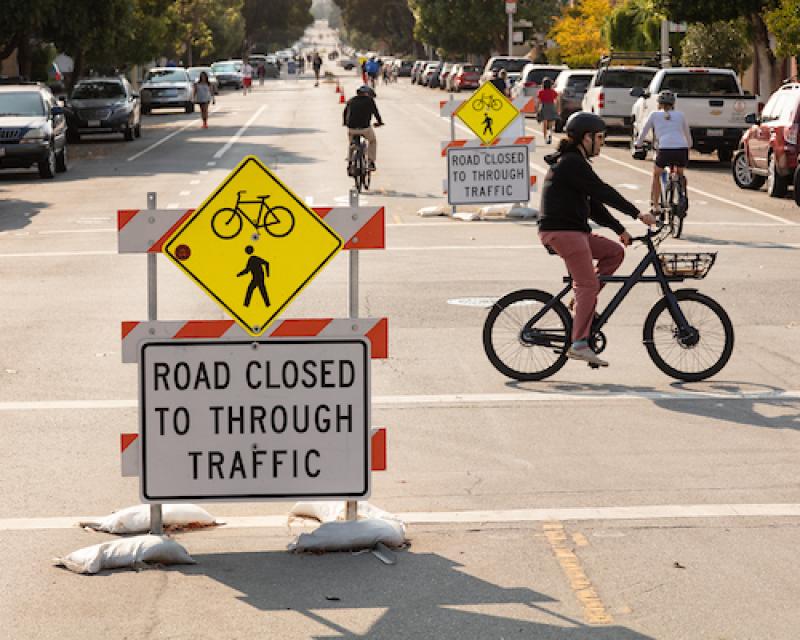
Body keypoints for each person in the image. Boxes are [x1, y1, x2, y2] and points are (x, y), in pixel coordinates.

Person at [538, 112, 657, 367]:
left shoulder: (575, 162)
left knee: (614, 252)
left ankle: (580, 302)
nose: (602, 143)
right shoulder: (571, 162)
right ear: (586, 137)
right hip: (563, 232)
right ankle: (579, 343)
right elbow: (602, 191)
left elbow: (593, 205)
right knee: (588, 285)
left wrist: (619, 229)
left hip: (573, 231)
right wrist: (637, 214)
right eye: (600, 138)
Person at [634, 90, 692, 214]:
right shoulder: (680, 115)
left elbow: (644, 131)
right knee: (680, 173)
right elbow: (687, 134)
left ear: (659, 104)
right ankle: (682, 194)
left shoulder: (654, 115)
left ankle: (655, 206)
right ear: (673, 104)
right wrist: (689, 146)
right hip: (681, 149)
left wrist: (638, 144)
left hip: (665, 149)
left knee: (657, 174)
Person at [343, 85, 384, 171]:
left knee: (351, 144)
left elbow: (345, 113)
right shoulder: (369, 101)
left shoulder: (351, 100)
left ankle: (350, 162)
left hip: (352, 128)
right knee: (372, 141)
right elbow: (376, 113)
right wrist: (379, 123)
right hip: (365, 129)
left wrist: (345, 123)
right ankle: (371, 162)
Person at [537, 77, 558, 145]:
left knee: (545, 123)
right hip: (551, 106)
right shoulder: (553, 92)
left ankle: (545, 138)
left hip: (544, 106)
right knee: (551, 122)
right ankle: (550, 134)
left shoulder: (541, 92)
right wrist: (557, 108)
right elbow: (556, 99)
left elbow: (539, 101)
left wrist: (537, 109)